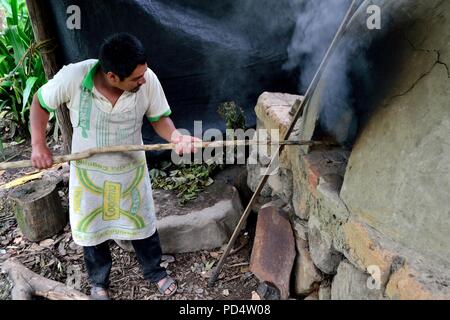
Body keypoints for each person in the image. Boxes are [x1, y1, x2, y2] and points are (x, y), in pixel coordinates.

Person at [30, 33, 200, 300]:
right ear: (112, 76)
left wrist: (176, 137)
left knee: (142, 222)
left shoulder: (147, 80)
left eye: (142, 74)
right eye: (135, 78)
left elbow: (159, 118)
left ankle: (154, 271)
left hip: (130, 171)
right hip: (89, 174)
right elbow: (40, 102)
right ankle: (99, 282)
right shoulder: (73, 77)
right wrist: (39, 145)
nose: (142, 80)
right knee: (93, 228)